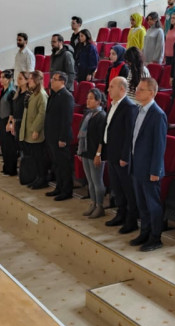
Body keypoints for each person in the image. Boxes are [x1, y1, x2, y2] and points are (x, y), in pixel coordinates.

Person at [124, 77, 167, 251]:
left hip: (150, 169)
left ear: (152, 92)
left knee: (152, 204)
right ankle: (145, 232)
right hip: (137, 165)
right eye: (137, 89)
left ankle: (156, 238)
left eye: (141, 89)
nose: (137, 92)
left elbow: (159, 146)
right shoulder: (138, 110)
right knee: (141, 203)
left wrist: (155, 170)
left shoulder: (158, 115)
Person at [104, 77, 138, 232]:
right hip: (111, 153)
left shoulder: (129, 107)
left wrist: (125, 157)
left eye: (112, 86)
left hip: (121, 156)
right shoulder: (113, 105)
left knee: (127, 189)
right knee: (117, 188)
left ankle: (131, 220)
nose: (108, 89)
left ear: (122, 89)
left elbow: (129, 135)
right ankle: (120, 214)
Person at [78, 88, 108, 218]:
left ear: (98, 101)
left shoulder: (102, 116)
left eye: (91, 98)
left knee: (97, 181)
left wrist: (98, 154)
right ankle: (93, 203)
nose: (87, 101)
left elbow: (102, 139)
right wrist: (80, 150)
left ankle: (100, 206)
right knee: (90, 181)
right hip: (86, 150)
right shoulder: (88, 114)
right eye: (87, 98)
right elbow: (82, 134)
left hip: (96, 153)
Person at [44, 72, 74, 201]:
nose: (51, 81)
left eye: (55, 79)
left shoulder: (67, 97)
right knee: (56, 164)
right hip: (52, 135)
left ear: (62, 82)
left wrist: (62, 138)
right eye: (52, 78)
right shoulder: (54, 94)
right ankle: (59, 187)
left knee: (64, 165)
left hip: (61, 137)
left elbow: (66, 120)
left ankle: (66, 191)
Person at [20, 70, 48, 189]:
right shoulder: (32, 93)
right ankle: (37, 177)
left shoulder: (41, 95)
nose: (29, 81)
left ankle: (42, 178)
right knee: (34, 157)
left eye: (31, 79)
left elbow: (42, 114)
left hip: (36, 132)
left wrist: (36, 129)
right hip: (29, 129)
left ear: (37, 80)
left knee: (39, 157)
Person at [9, 72, 30, 180]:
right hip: (17, 122)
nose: (18, 80)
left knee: (24, 149)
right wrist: (12, 123)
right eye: (18, 78)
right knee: (19, 147)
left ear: (27, 80)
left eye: (21, 78)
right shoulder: (17, 93)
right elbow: (14, 111)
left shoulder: (28, 95)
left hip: (24, 123)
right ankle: (22, 172)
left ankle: (26, 173)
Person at [0, 70, 19, 176]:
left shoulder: (12, 92)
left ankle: (11, 169)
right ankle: (6, 167)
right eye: (0, 77)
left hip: (8, 120)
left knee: (10, 146)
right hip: (2, 119)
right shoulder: (3, 90)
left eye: (3, 77)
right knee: (4, 145)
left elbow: (13, 110)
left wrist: (10, 123)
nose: (1, 79)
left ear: (9, 79)